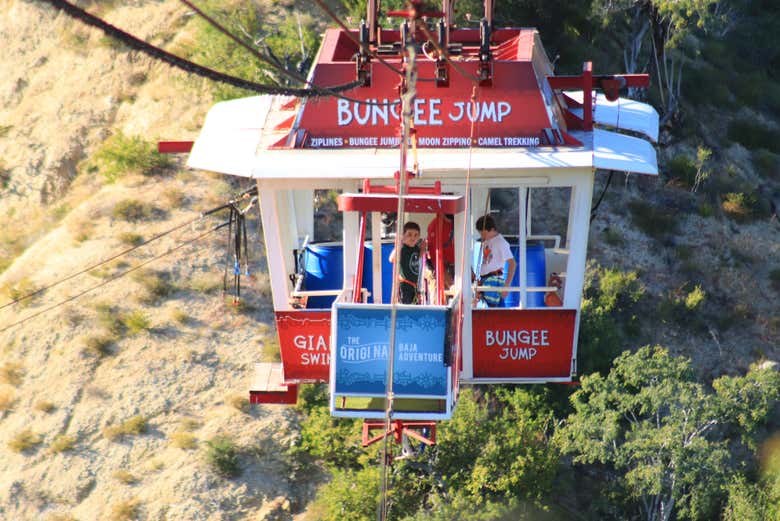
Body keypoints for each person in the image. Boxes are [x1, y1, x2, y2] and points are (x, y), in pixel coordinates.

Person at [475, 215, 516, 307]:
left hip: (493, 280)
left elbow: (512, 263)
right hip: (483, 280)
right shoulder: (487, 241)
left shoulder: (501, 243)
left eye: (483, 233)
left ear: (492, 229)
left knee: (492, 308)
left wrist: (506, 286)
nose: (482, 236)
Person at [389, 222, 427, 304]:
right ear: (403, 236)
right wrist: (398, 245)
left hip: (414, 286)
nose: (413, 238)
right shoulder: (403, 248)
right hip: (404, 285)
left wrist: (423, 249)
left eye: (416, 235)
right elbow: (391, 259)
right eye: (409, 235)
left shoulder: (416, 248)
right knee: (404, 307)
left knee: (413, 308)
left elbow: (417, 257)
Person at [427, 213, 455, 290]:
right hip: (442, 268)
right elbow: (433, 254)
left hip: (458, 268)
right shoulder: (435, 225)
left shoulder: (459, 221)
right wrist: (444, 274)